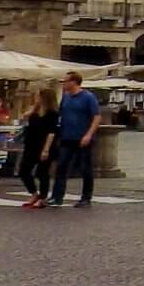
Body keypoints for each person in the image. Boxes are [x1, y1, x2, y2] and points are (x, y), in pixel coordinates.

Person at [46, 71, 102, 208]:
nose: (63, 84)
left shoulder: (88, 97)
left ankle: (86, 198)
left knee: (85, 168)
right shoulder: (65, 97)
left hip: (82, 137)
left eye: (65, 81)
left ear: (74, 82)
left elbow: (97, 117)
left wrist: (88, 134)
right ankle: (57, 197)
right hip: (67, 137)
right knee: (61, 167)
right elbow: (60, 114)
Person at [16, 91, 58, 208]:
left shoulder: (52, 113)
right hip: (31, 144)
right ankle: (34, 193)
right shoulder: (35, 112)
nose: (36, 98)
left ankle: (43, 197)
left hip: (44, 145)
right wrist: (33, 108)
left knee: (42, 173)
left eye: (38, 97)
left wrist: (46, 149)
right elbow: (24, 116)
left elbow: (51, 132)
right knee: (24, 170)